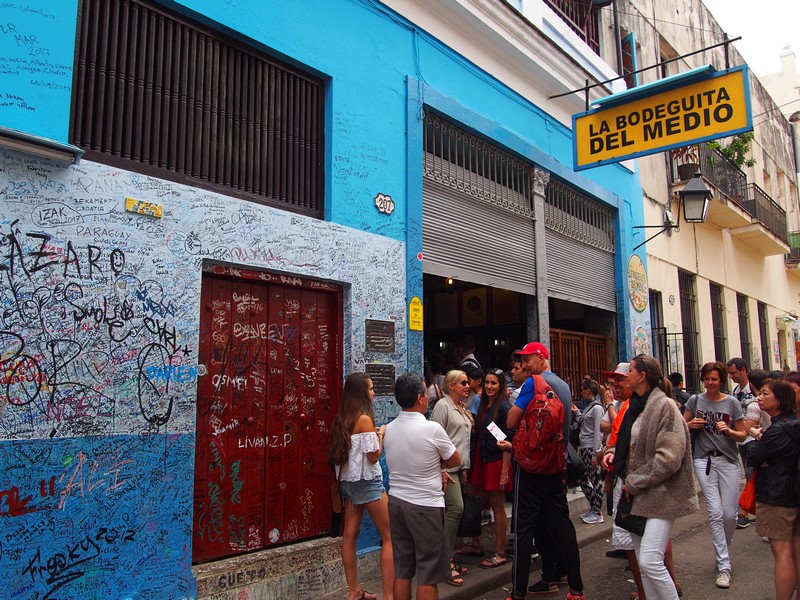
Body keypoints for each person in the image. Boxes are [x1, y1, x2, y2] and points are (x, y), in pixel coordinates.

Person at [605, 355, 697, 600]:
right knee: (644, 565)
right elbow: (629, 442)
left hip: (660, 495)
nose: (626, 375)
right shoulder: (634, 405)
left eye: (631, 370)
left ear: (642, 376)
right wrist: (613, 454)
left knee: (649, 561)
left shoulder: (664, 406)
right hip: (636, 494)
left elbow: (669, 457)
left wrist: (636, 481)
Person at [506, 341, 585, 600]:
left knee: (524, 529)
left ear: (542, 358)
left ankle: (517, 593)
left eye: (528, 359)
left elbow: (511, 420)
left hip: (531, 467)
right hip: (557, 464)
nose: (525, 364)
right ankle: (575, 589)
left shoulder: (534, 383)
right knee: (562, 526)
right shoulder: (563, 385)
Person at [384, 373, 461, 600]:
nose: (428, 396)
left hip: (397, 502)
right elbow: (455, 459)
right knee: (428, 573)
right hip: (425, 505)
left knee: (403, 569)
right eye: (427, 393)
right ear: (420, 398)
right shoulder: (432, 429)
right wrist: (438, 465)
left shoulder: (390, 428)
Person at [328, 373, 394, 600]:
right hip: (368, 484)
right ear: (361, 393)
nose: (374, 392)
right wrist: (381, 435)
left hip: (348, 484)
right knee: (389, 536)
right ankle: (389, 595)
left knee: (349, 535)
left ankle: (354, 590)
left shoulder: (341, 418)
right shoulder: (364, 419)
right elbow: (374, 456)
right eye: (371, 388)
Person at [684, 361, 747, 589]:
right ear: (703, 380)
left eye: (715, 379)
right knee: (715, 511)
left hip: (729, 461)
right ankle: (724, 566)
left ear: (721, 380)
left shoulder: (731, 403)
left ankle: (723, 545)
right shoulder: (695, 400)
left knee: (730, 515)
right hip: (703, 460)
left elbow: (742, 434)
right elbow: (681, 425)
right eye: (707, 379)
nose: (710, 383)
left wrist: (728, 431)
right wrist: (691, 424)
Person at [746, 378, 800, 600]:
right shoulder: (794, 424)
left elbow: (754, 456)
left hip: (777, 496)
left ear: (779, 400)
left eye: (765, 394)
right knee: (796, 553)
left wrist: (759, 442)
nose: (759, 397)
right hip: (794, 493)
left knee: (783, 554)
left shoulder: (777, 430)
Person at [457, 368, 514, 568]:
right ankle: (476, 543)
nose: (489, 386)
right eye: (487, 383)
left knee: (497, 506)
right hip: (480, 459)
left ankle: (500, 552)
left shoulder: (505, 408)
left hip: (496, 461)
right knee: (474, 499)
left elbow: (507, 441)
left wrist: (505, 472)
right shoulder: (483, 405)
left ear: (500, 386)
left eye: (494, 383)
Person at [430, 369, 473, 586]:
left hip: (458, 469)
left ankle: (449, 559)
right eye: (463, 383)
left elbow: (461, 440)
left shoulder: (461, 408)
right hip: (446, 470)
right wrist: (441, 470)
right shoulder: (442, 406)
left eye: (468, 383)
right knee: (456, 509)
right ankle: (444, 562)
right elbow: (435, 438)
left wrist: (464, 467)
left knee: (454, 512)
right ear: (452, 385)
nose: (468, 386)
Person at [726, 357, 760, 529]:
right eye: (730, 373)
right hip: (742, 438)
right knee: (749, 473)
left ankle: (745, 512)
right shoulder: (735, 391)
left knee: (750, 473)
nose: (731, 376)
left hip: (754, 437)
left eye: (734, 373)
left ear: (744, 370)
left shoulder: (754, 390)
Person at [577, 379, 605, 524]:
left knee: (595, 479)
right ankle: (594, 507)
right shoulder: (590, 407)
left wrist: (596, 453)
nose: (581, 392)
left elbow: (598, 431)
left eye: (582, 389)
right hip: (584, 447)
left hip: (590, 448)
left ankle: (597, 510)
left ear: (588, 391)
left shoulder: (597, 408)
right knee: (584, 478)